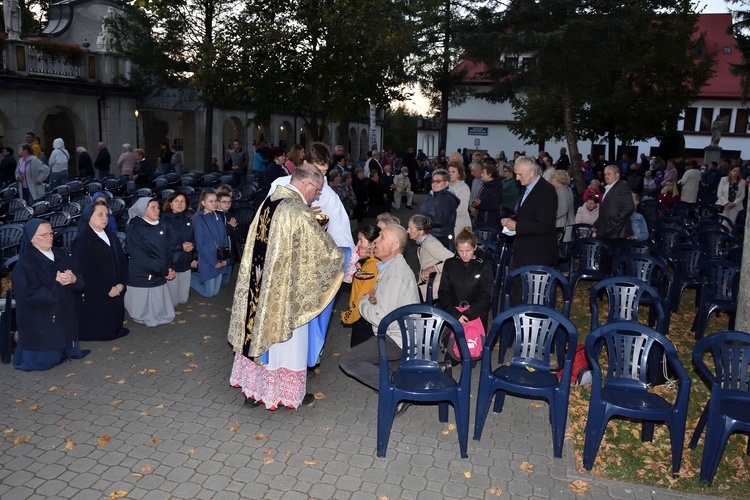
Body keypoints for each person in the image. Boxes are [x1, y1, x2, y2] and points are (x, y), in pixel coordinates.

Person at [228, 164, 344, 410]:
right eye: (317, 190)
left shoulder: (269, 202)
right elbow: (322, 255)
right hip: (283, 293)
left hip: (259, 286)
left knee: (257, 331)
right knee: (286, 341)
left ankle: (254, 391)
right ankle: (284, 395)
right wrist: (346, 255)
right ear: (306, 184)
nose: (316, 195)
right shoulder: (296, 210)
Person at [338, 225, 420, 401]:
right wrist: (373, 299)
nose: (375, 241)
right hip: (398, 334)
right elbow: (379, 302)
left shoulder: (396, 274)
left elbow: (380, 318)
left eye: (382, 238)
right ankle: (395, 374)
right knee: (370, 358)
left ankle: (394, 388)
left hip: (398, 339)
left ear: (394, 246)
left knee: (348, 360)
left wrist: (363, 302)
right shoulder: (389, 267)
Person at [12, 219, 87, 371]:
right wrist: (56, 283)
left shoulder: (61, 253)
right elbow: (29, 295)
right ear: (32, 238)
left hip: (64, 314)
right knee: (45, 361)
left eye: (51, 233)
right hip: (42, 319)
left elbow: (80, 281)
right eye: (44, 235)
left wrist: (74, 279)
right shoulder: (25, 263)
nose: (49, 237)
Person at [71, 202, 129, 341]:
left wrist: (121, 283)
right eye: (100, 215)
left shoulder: (111, 236)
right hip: (97, 293)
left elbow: (121, 261)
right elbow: (85, 272)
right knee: (101, 329)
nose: (105, 218)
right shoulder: (82, 241)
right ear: (89, 217)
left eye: (107, 215)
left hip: (116, 288)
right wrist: (106, 289)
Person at [501, 156, 558, 282]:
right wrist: (511, 220)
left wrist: (516, 226)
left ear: (531, 172)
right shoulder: (527, 188)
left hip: (536, 253)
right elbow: (525, 213)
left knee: (530, 293)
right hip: (522, 250)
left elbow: (544, 224)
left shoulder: (546, 190)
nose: (517, 178)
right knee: (515, 288)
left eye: (519, 174)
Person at [436, 227, 493, 350]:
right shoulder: (450, 264)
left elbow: (486, 297)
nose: (465, 254)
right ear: (456, 249)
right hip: (453, 312)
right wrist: (456, 314)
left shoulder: (484, 267)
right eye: (461, 251)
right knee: (453, 352)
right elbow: (444, 292)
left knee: (471, 352)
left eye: (468, 250)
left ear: (475, 248)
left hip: (475, 313)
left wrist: (468, 315)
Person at [124, 197, 176, 327]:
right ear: (143, 209)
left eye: (158, 207)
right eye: (153, 207)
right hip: (143, 274)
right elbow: (141, 258)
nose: (157, 210)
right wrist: (163, 271)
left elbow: (168, 248)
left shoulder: (161, 224)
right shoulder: (135, 228)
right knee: (143, 312)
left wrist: (168, 267)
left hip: (159, 271)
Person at [341, 225, 381, 348]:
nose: (357, 244)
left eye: (361, 240)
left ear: (372, 244)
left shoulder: (370, 266)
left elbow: (360, 298)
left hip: (363, 319)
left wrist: (347, 317)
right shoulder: (372, 262)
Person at [594, 166, 635, 272]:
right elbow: (606, 210)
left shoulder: (621, 187)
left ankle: (610, 285)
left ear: (617, 175)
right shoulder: (609, 188)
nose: (606, 176)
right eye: (605, 174)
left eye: (609, 174)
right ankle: (603, 285)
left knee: (613, 263)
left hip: (616, 233)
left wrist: (612, 223)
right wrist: (597, 224)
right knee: (605, 261)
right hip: (608, 231)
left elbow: (629, 207)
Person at [191, 188, 230, 298]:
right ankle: (188, 277)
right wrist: (213, 262)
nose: (214, 204)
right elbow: (200, 245)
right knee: (209, 293)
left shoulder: (218, 216)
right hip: (208, 259)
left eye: (216, 201)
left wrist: (225, 259)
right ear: (203, 203)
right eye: (211, 201)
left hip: (219, 257)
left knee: (215, 292)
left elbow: (224, 239)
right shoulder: (199, 219)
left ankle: (199, 277)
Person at [407, 214, 454, 303]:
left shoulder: (431, 244)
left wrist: (433, 268)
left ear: (420, 231)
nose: (407, 231)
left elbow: (454, 260)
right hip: (427, 284)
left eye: (410, 228)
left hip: (436, 286)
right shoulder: (423, 243)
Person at [161, 192, 195, 307]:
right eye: (176, 201)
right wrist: (181, 247)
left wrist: (192, 245)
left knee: (183, 300)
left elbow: (193, 238)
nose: (180, 204)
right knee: (173, 302)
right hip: (172, 263)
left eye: (182, 201)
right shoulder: (164, 221)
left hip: (185, 262)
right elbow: (162, 244)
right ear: (170, 204)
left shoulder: (188, 220)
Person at [420, 168, 459, 249]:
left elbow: (441, 220)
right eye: (433, 181)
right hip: (431, 234)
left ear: (446, 183)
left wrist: (421, 222)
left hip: (441, 237)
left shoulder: (446, 199)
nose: (434, 184)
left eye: (438, 181)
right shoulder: (432, 196)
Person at [551, 170, 575, 272]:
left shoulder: (562, 191)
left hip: (562, 225)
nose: (551, 180)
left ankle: (565, 274)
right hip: (564, 224)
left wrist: (550, 217)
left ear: (558, 179)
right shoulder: (566, 189)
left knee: (561, 252)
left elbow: (562, 210)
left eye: (553, 178)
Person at [471, 163, 503, 229]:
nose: (481, 174)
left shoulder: (495, 188)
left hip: (489, 222)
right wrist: (474, 205)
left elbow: (495, 207)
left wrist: (479, 205)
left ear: (489, 174)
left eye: (483, 173)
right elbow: (478, 199)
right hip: (480, 219)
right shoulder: (484, 186)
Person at [216, 191, 239, 277]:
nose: (227, 204)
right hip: (218, 253)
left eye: (229, 202)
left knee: (226, 280)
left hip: (229, 251)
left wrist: (233, 228)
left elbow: (235, 235)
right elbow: (219, 235)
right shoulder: (214, 216)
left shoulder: (231, 216)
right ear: (217, 203)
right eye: (224, 202)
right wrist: (230, 228)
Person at [448, 161, 472, 237]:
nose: (450, 174)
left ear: (459, 174)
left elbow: (461, 209)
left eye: (453, 172)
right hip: (447, 224)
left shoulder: (464, 188)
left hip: (459, 223)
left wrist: (445, 214)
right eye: (449, 171)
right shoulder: (446, 186)